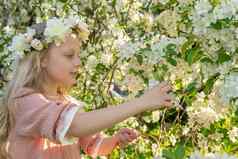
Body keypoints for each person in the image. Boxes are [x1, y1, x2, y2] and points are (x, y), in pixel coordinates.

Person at [0, 16, 173, 159]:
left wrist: (115, 140)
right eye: (69, 56)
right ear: (42, 60)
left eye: (78, 55)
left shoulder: (66, 103)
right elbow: (75, 126)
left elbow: (93, 146)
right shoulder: (25, 101)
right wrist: (141, 102)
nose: (78, 62)